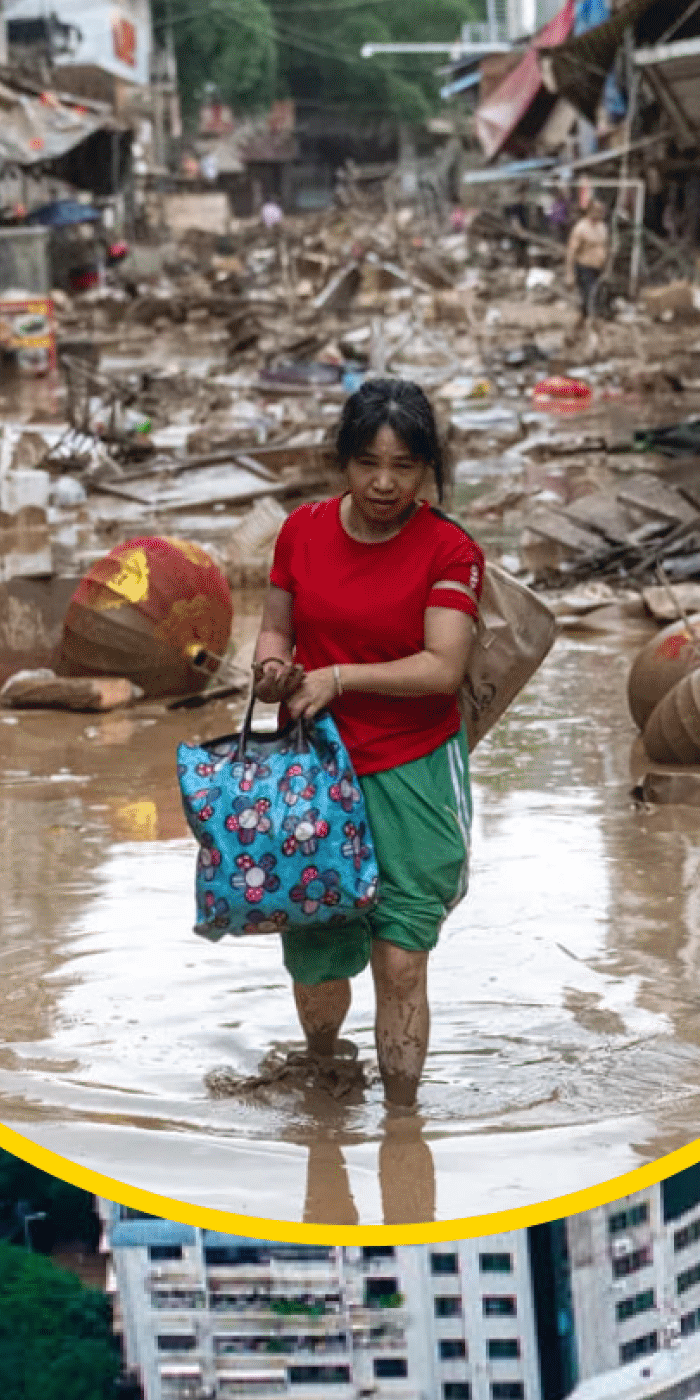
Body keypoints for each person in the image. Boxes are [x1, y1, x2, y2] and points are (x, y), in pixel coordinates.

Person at [251, 379, 481, 1108]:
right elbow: (276, 625)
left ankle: (402, 1123)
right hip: (312, 772)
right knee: (317, 960)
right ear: (342, 461)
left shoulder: (449, 549)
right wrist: (270, 668)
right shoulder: (302, 531)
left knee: (401, 957)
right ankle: (325, 1074)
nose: (385, 483)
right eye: (368, 463)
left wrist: (340, 679)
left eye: (405, 465)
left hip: (412, 770)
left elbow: (443, 668)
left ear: (428, 469)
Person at [565, 197, 613, 326]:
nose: (601, 213)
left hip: (599, 269)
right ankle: (595, 335)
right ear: (590, 211)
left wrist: (607, 269)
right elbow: (571, 252)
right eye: (598, 210)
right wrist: (569, 275)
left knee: (591, 304)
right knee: (592, 302)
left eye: (602, 210)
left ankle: (576, 331)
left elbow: (606, 249)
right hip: (584, 269)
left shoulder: (603, 227)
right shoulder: (581, 228)